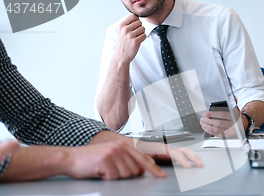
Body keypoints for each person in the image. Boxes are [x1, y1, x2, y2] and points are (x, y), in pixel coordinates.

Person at [0, 39, 203, 182]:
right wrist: (67, 158)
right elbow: (111, 119)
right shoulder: (116, 37)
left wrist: (131, 145)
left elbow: (36, 118)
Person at [95, 0, 264, 137]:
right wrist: (120, 60)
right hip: (161, 156)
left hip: (221, 148)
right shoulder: (117, 37)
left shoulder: (221, 20)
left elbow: (254, 94)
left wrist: (242, 122)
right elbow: (111, 123)